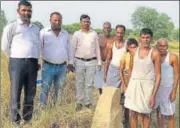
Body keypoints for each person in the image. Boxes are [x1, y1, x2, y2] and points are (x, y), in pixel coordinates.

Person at [1, 1, 40, 125]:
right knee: (15, 92)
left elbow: (37, 46)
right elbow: (5, 47)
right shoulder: (12, 26)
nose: (26, 13)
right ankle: (16, 122)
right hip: (17, 63)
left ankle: (28, 119)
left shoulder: (35, 28)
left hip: (33, 64)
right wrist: (16, 59)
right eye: (24, 10)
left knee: (30, 92)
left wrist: (36, 61)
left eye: (29, 10)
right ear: (18, 11)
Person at [124, 28, 161, 128]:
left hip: (147, 87)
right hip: (134, 85)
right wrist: (128, 86)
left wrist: (153, 95)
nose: (145, 40)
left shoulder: (155, 53)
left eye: (147, 37)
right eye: (143, 37)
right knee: (133, 113)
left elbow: (158, 75)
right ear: (140, 38)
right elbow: (131, 69)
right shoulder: (134, 51)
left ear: (151, 38)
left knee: (145, 114)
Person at [39, 12, 74, 107]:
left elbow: (69, 49)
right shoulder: (44, 32)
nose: (57, 22)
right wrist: (37, 63)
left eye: (59, 20)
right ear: (50, 20)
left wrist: (70, 63)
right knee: (44, 89)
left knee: (59, 90)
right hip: (48, 67)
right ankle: (42, 110)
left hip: (62, 68)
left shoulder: (65, 33)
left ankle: (56, 109)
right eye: (55, 20)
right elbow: (39, 49)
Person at [72, 14, 101, 111]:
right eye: (84, 21)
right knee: (79, 82)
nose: (86, 23)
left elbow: (97, 48)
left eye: (88, 21)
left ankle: (88, 102)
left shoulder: (94, 34)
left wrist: (99, 61)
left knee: (89, 83)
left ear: (90, 22)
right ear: (81, 22)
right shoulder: (76, 34)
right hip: (79, 61)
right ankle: (79, 102)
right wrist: (71, 62)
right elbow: (73, 48)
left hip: (92, 61)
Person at [154, 38, 179, 128]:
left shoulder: (172, 57)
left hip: (168, 88)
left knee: (170, 113)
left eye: (164, 46)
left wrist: (174, 92)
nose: (162, 48)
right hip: (157, 88)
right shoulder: (154, 56)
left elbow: (176, 76)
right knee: (159, 112)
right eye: (160, 46)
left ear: (167, 47)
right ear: (157, 46)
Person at [120, 38, 138, 128]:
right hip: (126, 79)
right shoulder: (125, 55)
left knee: (134, 105)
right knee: (125, 103)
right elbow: (121, 71)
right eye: (130, 47)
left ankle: (134, 124)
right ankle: (125, 122)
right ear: (127, 47)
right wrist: (123, 84)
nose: (132, 49)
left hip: (136, 79)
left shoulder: (139, 56)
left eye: (134, 47)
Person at [94, 21, 113, 95]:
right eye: (105, 28)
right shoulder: (98, 38)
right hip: (100, 63)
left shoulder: (113, 39)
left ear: (111, 29)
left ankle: (109, 98)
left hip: (111, 63)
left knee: (110, 82)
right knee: (100, 83)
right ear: (103, 29)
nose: (107, 30)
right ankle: (101, 97)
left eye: (108, 28)